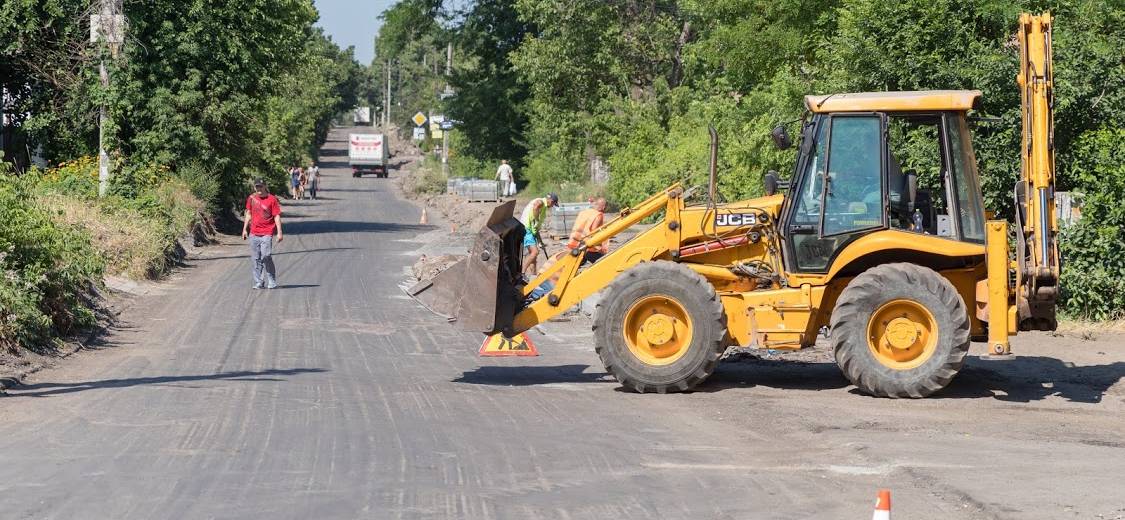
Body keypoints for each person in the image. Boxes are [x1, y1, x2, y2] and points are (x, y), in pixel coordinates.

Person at [242, 178, 283, 289]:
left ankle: (271, 279)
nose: (259, 188)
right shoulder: (251, 198)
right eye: (257, 186)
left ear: (265, 186)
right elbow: (248, 214)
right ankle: (259, 282)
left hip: (267, 232)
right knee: (256, 258)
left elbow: (276, 216)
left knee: (266, 255)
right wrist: (244, 229)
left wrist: (279, 232)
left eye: (260, 186)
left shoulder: (272, 199)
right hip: (254, 232)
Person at [519, 193, 559, 275]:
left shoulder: (543, 207)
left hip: (531, 231)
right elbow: (536, 206)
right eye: (553, 204)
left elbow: (536, 229)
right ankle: (522, 273)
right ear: (551, 201)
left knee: (533, 257)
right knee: (535, 252)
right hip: (526, 229)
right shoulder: (541, 202)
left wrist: (541, 242)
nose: (552, 207)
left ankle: (533, 277)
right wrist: (536, 219)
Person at [567, 197, 608, 264]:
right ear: (604, 207)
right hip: (587, 248)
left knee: (576, 264)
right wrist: (598, 247)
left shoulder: (585, 212)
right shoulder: (598, 215)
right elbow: (593, 232)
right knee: (604, 263)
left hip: (576, 244)